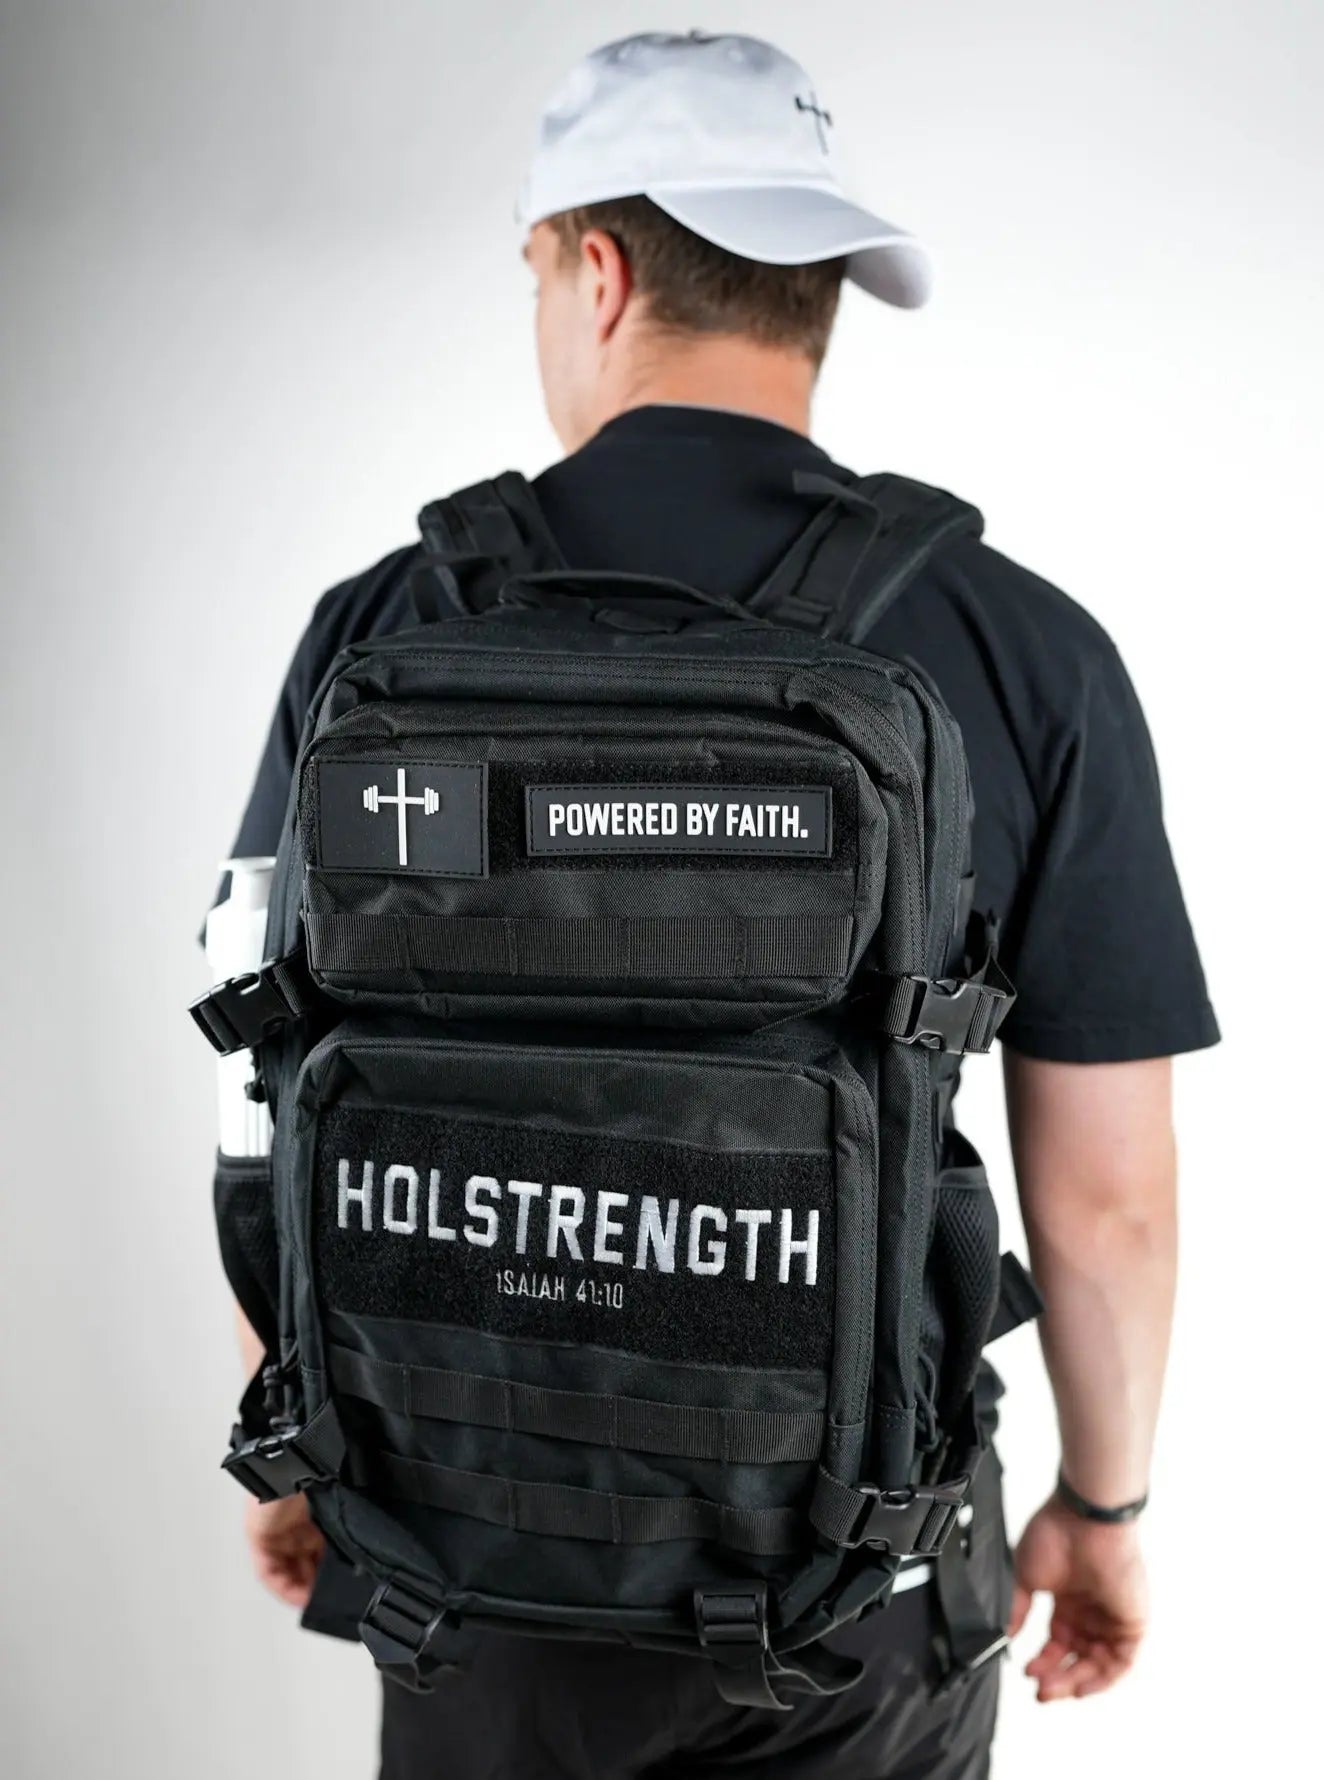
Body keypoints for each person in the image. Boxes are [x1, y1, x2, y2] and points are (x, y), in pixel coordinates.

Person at [218, 31, 1217, 1780]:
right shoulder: (1024, 647)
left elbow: (259, 1098)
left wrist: (301, 1450)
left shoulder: (383, 629)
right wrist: (1104, 1508)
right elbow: (1111, 1200)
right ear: (817, 295)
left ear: (595, 272)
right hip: (856, 1592)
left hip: (467, 1561)